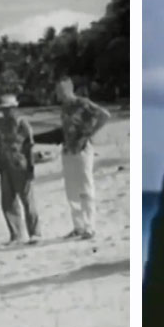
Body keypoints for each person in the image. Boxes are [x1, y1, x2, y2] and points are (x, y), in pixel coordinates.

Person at [55, 76, 111, 240]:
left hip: (82, 149)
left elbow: (104, 115)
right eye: (57, 91)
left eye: (60, 90)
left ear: (68, 89)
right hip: (68, 150)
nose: (58, 94)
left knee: (85, 187)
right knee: (71, 190)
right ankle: (78, 226)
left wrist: (90, 133)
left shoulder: (82, 103)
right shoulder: (64, 108)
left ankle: (90, 227)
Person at [0, 95, 39, 245]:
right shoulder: (1, 126)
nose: (5, 112)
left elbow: (29, 147)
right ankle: (16, 234)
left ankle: (34, 233)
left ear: (14, 108)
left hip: (21, 166)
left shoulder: (22, 124)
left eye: (7, 109)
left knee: (27, 201)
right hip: (5, 167)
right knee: (8, 203)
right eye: (3, 110)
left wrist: (31, 168)